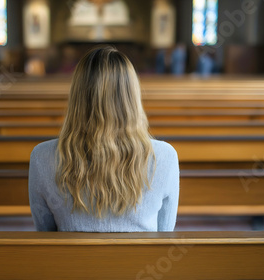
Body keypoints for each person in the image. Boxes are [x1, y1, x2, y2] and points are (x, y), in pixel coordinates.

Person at [28, 46, 179, 232]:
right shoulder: (165, 156)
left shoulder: (41, 156)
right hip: (143, 262)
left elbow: (45, 233)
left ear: (77, 96)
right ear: (132, 97)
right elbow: (164, 233)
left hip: (71, 261)